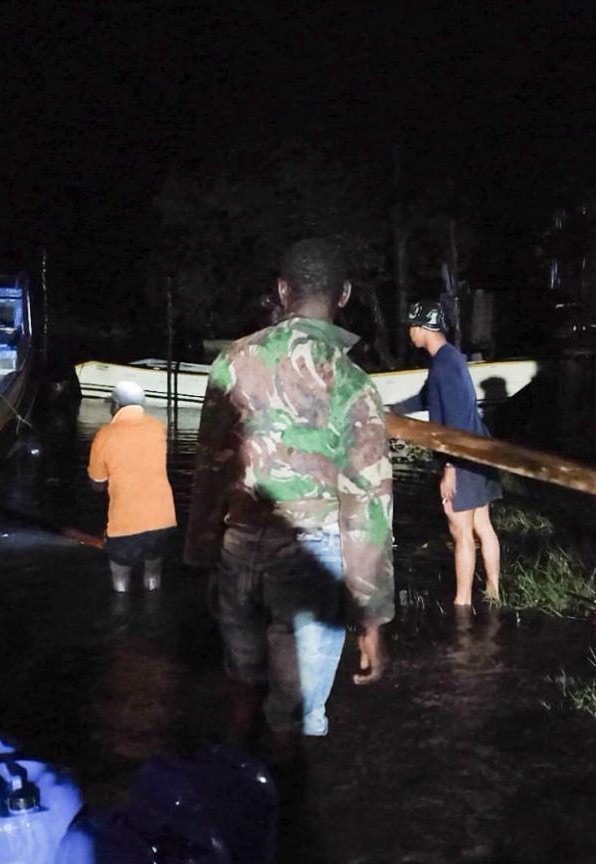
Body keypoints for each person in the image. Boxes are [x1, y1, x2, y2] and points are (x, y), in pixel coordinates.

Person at [185, 238, 394, 753]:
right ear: (343, 294)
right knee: (294, 716)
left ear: (282, 290)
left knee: (242, 688)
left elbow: (210, 469)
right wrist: (370, 614)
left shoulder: (233, 361)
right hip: (309, 556)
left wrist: (203, 556)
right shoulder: (352, 383)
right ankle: (285, 797)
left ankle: (232, 784)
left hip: (239, 544)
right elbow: (367, 504)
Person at [390, 301, 502, 606]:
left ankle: (462, 603)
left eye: (411, 327)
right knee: (482, 525)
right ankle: (493, 592)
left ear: (422, 328)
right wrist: (393, 410)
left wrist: (450, 468)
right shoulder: (449, 358)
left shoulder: (444, 365)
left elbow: (455, 420)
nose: (409, 333)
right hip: (479, 448)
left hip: (462, 455)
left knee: (460, 530)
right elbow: (427, 397)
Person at [88, 380, 178, 593]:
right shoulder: (157, 428)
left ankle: (121, 612)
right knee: (153, 578)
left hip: (124, 524)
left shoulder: (105, 434)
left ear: (116, 405)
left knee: (120, 582)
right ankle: (154, 610)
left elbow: (97, 484)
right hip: (162, 520)